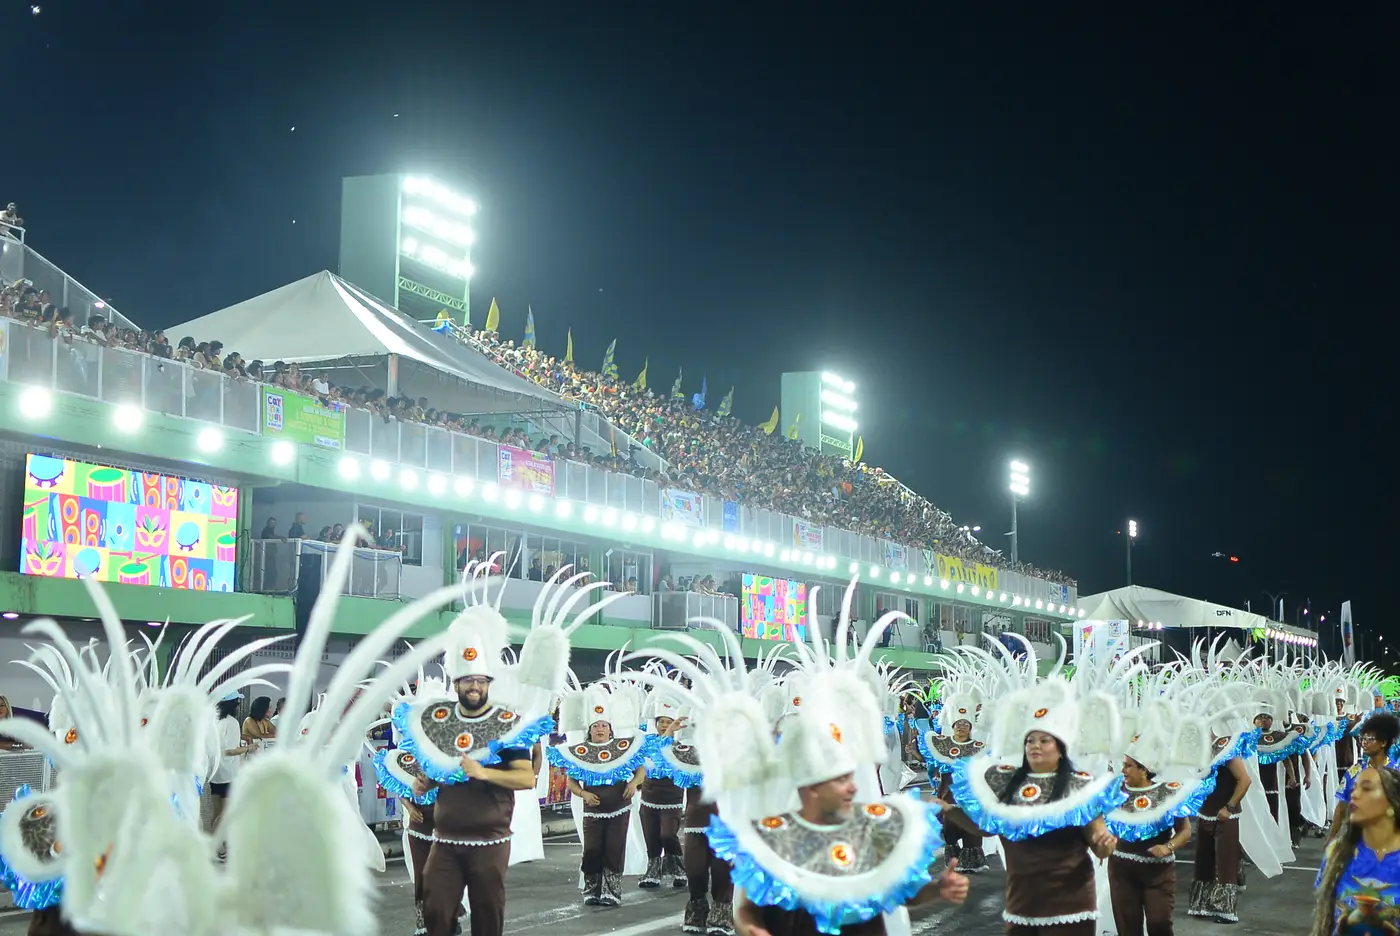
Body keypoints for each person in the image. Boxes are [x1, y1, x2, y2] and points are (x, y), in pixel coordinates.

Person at [548, 682, 649, 907]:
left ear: (610, 729)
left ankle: (611, 891)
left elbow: (641, 770)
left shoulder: (623, 748)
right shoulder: (580, 752)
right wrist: (583, 793)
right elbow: (572, 781)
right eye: (596, 726)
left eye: (604, 725)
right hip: (592, 810)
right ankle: (592, 889)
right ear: (590, 730)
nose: (600, 729)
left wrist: (633, 783)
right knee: (592, 850)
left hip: (619, 808)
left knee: (614, 849)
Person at [1309, 766, 1400, 936]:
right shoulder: (1338, 853)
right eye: (1354, 788)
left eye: (1366, 788)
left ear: (1392, 800)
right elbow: (1325, 921)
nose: (1355, 795)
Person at [1330, 712, 1400, 839]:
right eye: (1363, 738)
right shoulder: (1354, 772)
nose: (1364, 743)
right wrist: (1331, 836)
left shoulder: (1396, 772)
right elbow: (1342, 807)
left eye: (1370, 739)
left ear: (1383, 742)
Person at [208, 691, 252, 860]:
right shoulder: (232, 723)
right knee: (226, 813)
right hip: (228, 773)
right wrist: (248, 748)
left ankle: (220, 843)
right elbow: (230, 751)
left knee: (217, 811)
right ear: (234, 704)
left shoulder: (214, 720)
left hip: (214, 771)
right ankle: (214, 844)